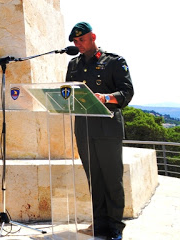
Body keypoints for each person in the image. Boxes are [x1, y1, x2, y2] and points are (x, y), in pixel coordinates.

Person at [66, 22, 134, 240]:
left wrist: (105, 98)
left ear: (93, 37)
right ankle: (99, 223)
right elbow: (67, 91)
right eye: (75, 42)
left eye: (81, 40)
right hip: (84, 127)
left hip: (107, 126)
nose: (78, 45)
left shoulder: (114, 62)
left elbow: (127, 92)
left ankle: (115, 227)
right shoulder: (73, 64)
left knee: (112, 179)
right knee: (93, 178)